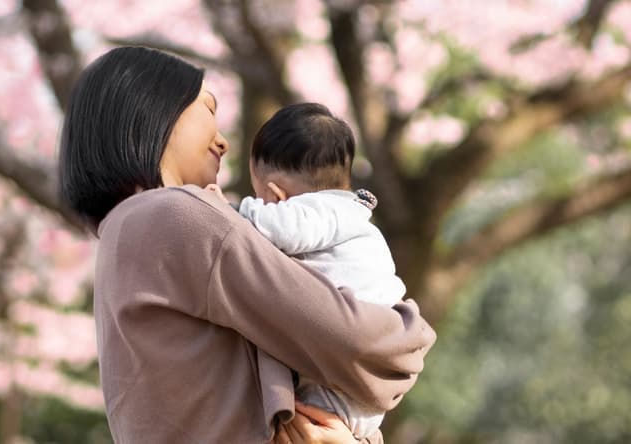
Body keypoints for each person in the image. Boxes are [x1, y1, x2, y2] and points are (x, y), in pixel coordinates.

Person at [58, 46, 436, 444]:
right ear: (152, 108)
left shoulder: (124, 234)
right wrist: (409, 330)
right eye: (207, 109)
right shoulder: (176, 214)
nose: (222, 141)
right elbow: (360, 341)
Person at [224, 102, 406, 440]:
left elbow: (281, 230)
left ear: (276, 195)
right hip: (363, 386)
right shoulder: (352, 215)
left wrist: (231, 209)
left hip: (334, 388)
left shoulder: (315, 214)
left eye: (261, 197)